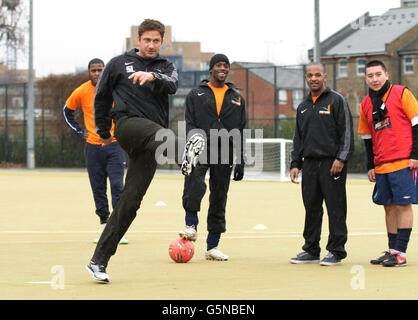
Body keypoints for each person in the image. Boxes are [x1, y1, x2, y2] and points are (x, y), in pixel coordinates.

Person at [85, 19, 204, 283]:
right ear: (138, 40)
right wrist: (104, 132)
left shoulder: (166, 67)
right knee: (164, 137)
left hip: (152, 143)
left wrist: (153, 76)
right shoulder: (118, 63)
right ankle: (184, 156)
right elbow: (102, 97)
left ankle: (98, 261)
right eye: (147, 40)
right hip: (128, 126)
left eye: (156, 41)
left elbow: (172, 84)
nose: (151, 45)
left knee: (130, 203)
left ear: (162, 43)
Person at [178, 54, 246, 261]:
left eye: (226, 66)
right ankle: (191, 226)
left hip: (225, 150)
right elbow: (189, 122)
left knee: (219, 196)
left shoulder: (237, 97)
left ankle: (212, 247)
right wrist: (192, 144)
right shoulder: (196, 94)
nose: (223, 68)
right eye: (219, 65)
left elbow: (241, 129)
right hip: (200, 147)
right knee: (193, 183)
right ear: (211, 69)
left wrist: (240, 158)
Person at [289, 62, 354, 266]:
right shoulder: (303, 106)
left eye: (318, 75)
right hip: (309, 165)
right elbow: (298, 137)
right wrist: (295, 163)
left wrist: (341, 158)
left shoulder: (336, 101)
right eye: (310, 75)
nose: (314, 78)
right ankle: (311, 249)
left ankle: (336, 250)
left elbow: (347, 132)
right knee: (312, 207)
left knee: (336, 208)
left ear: (325, 77)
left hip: (332, 164)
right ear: (306, 78)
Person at [358, 60, 418, 267]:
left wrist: (415, 154)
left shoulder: (402, 93)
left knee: (403, 205)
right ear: (365, 78)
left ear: (387, 74)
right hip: (382, 164)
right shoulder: (366, 102)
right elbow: (367, 137)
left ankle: (401, 252)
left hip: (403, 161)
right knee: (389, 208)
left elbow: (417, 122)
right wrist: (370, 165)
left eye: (378, 74)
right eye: (370, 76)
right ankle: (392, 251)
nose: (374, 79)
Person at [62, 58, 128, 245]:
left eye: (100, 70)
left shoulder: (115, 89)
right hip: (92, 146)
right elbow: (67, 111)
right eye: (94, 70)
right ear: (89, 72)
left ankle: (118, 230)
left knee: (117, 186)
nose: (97, 74)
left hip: (115, 145)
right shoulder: (81, 91)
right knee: (98, 188)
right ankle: (104, 227)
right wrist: (79, 131)